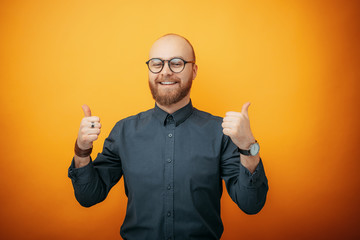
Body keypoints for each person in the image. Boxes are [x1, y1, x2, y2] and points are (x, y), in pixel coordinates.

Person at [68, 33, 268, 240]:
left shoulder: (221, 133)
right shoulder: (123, 132)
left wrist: (247, 147)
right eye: (157, 64)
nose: (165, 72)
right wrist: (82, 150)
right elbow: (89, 196)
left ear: (194, 70)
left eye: (176, 63)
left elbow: (251, 204)